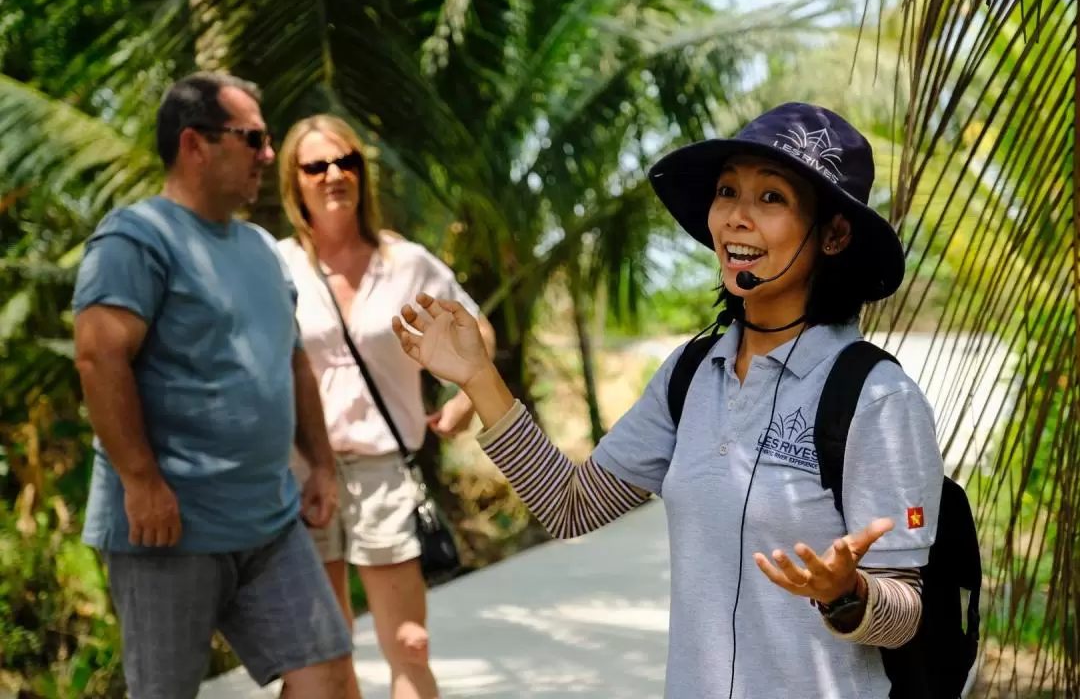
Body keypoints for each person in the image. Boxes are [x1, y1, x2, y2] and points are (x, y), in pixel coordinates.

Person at [390, 103, 944, 698]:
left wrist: (847, 594)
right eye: (727, 191)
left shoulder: (877, 398)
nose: (736, 217)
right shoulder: (690, 375)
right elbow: (570, 505)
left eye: (771, 198)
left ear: (834, 234)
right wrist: (478, 377)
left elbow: (904, 612)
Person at [72, 73, 361, 699]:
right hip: (170, 532)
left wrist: (321, 466)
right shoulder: (136, 238)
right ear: (194, 144)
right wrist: (141, 481)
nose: (267, 155)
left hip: (269, 518)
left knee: (331, 676)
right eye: (252, 138)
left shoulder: (260, 248)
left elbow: (293, 363)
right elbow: (98, 358)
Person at [275, 114, 497, 699]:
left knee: (409, 643)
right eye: (316, 165)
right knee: (321, 653)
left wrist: (464, 405)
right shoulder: (277, 265)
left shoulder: (406, 264)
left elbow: (477, 330)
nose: (333, 175)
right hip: (299, 475)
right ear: (293, 180)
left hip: (383, 472)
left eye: (346, 161)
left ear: (362, 174)